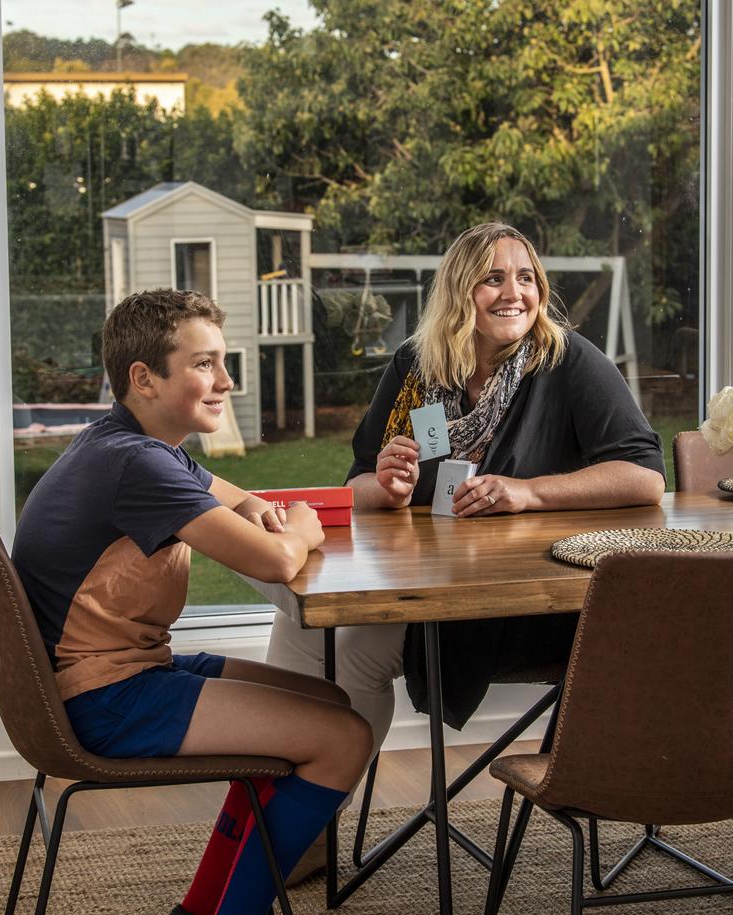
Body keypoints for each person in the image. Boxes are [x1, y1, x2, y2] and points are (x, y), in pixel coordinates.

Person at [12, 288, 373, 915]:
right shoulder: (138, 468)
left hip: (121, 675)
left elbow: (237, 501)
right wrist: (299, 526)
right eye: (205, 365)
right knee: (346, 738)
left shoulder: (129, 446)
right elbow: (276, 562)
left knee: (331, 705)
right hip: (105, 698)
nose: (226, 382)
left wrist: (264, 516)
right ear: (144, 378)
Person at [267, 221, 666, 875]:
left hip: (533, 610)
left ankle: (295, 830)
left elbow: (644, 473)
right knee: (308, 633)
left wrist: (529, 494)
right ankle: (291, 822)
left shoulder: (565, 362)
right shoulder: (417, 370)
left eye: (526, 277)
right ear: (461, 291)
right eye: (493, 277)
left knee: (354, 652)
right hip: (435, 591)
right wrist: (391, 488)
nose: (514, 293)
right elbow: (360, 482)